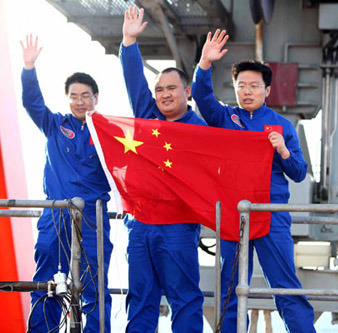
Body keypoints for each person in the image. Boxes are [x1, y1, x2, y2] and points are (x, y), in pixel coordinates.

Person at [191, 30, 316, 332]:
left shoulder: (283, 126)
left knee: (285, 285)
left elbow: (299, 172)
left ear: (267, 90)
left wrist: (283, 150)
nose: (247, 91)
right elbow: (202, 98)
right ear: (234, 88)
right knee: (232, 287)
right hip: (235, 215)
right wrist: (204, 64)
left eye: (254, 86)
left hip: (272, 215)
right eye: (241, 85)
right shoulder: (225, 119)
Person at [119, 5, 205, 332]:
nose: (164, 94)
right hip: (140, 224)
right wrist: (129, 42)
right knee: (141, 297)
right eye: (159, 90)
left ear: (187, 91)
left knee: (184, 299)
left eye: (171, 88)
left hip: (178, 226)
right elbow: (133, 81)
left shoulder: (200, 129)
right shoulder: (147, 115)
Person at [20, 34, 113, 332]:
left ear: (96, 98)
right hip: (55, 212)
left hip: (92, 216)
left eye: (85, 96)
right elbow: (32, 103)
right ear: (67, 98)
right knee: (46, 279)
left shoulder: (109, 131)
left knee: (94, 282)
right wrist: (29, 67)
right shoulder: (55, 124)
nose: (79, 101)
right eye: (73, 96)